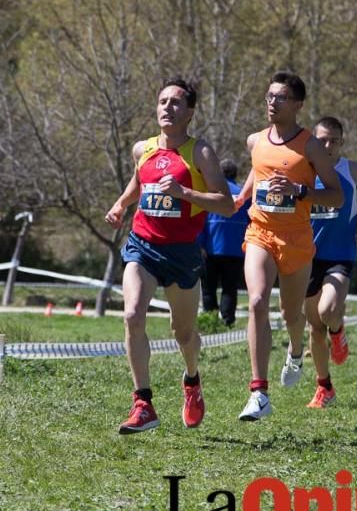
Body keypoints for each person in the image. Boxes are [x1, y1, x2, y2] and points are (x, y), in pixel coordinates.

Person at [104, 77, 234, 434]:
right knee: (132, 315)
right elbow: (139, 183)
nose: (167, 108)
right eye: (162, 101)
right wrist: (120, 205)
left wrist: (184, 192)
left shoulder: (200, 153)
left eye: (176, 103)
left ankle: (192, 381)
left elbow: (226, 204)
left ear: (190, 112)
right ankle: (143, 403)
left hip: (182, 254)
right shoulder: (142, 149)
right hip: (142, 244)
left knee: (183, 332)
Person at [232, 71, 344, 421]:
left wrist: (300, 192)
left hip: (295, 239)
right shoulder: (255, 140)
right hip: (260, 232)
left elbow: (336, 195)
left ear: (297, 104)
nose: (271, 102)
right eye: (269, 95)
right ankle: (259, 393)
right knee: (257, 301)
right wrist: (242, 198)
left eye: (280, 97)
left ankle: (296, 352)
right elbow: (258, 171)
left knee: (292, 315)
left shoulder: (310, 146)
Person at [303, 116, 357, 408]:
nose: (327, 145)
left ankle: (339, 332)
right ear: (314, 139)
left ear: (341, 142)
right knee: (314, 327)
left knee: (328, 309)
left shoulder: (353, 170)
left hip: (340, 254)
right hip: (308, 256)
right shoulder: (305, 170)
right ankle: (325, 387)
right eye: (322, 140)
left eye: (333, 140)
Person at [199, 158, 250, 327]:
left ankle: (210, 321)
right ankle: (228, 321)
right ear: (235, 174)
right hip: (236, 250)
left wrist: (200, 244)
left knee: (208, 289)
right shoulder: (244, 194)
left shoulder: (211, 192)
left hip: (211, 249)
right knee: (230, 289)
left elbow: (201, 220)